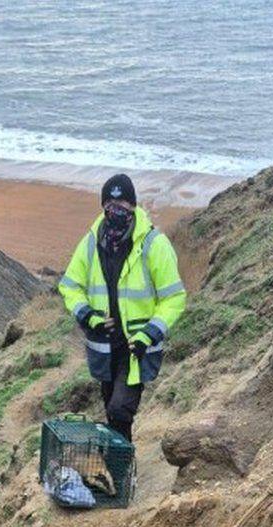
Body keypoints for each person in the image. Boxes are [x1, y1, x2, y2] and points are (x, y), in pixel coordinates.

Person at [57, 174, 187, 442]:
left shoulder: (154, 244)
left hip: (135, 348)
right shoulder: (92, 242)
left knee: (119, 410)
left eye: (123, 204)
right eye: (110, 204)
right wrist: (87, 315)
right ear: (103, 206)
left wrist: (149, 333)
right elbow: (69, 285)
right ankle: (120, 465)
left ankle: (121, 469)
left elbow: (174, 298)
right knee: (110, 408)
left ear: (133, 206)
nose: (116, 210)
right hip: (103, 347)